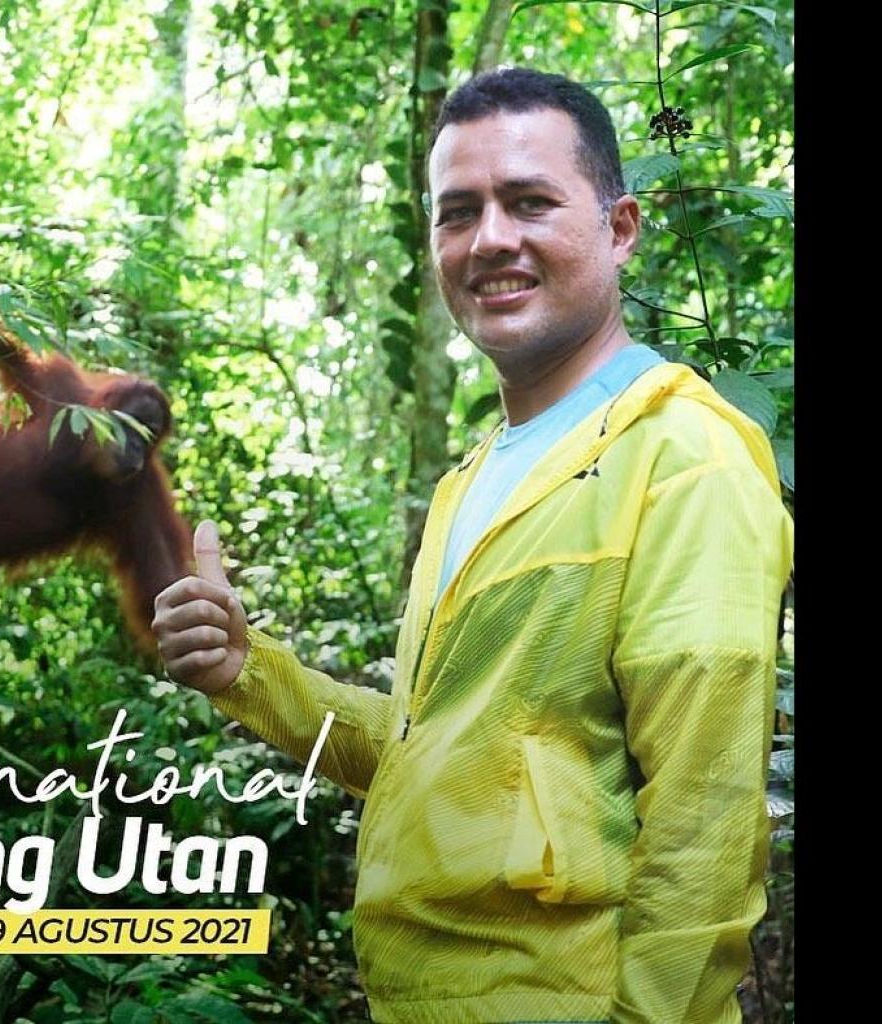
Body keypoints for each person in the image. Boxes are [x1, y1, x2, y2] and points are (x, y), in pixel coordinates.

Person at [153, 67, 793, 1024]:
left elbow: (704, 822)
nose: (490, 238)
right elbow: (435, 752)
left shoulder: (683, 456)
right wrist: (248, 671)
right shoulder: (476, 477)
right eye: (458, 213)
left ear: (620, 229)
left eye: (530, 202)